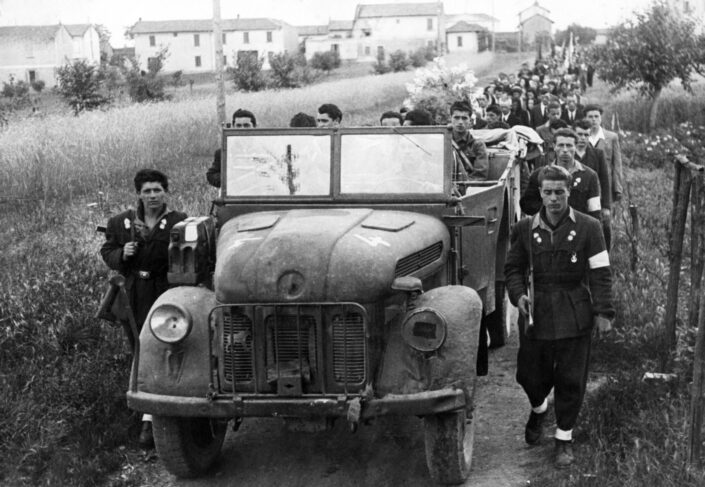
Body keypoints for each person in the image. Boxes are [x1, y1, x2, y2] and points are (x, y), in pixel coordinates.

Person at [505, 164, 614, 468]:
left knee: (571, 379)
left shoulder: (590, 227)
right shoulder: (524, 228)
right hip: (535, 313)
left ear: (569, 192)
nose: (553, 199)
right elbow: (513, 269)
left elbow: (601, 273)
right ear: (539, 192)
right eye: (548, 192)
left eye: (559, 192)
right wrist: (518, 296)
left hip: (574, 311)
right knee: (529, 375)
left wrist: (604, 311)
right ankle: (539, 409)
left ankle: (564, 438)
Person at [100, 169, 188, 448]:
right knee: (138, 349)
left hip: (163, 294)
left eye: (158, 190)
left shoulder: (179, 222)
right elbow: (108, 252)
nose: (153, 196)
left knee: (162, 348)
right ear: (138, 193)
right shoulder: (121, 222)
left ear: (166, 192)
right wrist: (120, 254)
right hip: (132, 294)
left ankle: (155, 419)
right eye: (147, 191)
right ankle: (144, 413)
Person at [521, 128, 602, 221]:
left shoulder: (590, 176)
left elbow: (595, 212)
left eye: (569, 145)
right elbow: (527, 206)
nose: (565, 150)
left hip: (578, 230)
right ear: (554, 146)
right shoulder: (539, 174)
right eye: (561, 145)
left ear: (575, 147)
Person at [574, 119, 612, 247]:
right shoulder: (568, 154)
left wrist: (606, 206)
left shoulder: (597, 154)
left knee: (601, 228)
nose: (583, 138)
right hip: (574, 200)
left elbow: (605, 180)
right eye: (579, 134)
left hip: (593, 200)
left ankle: (603, 256)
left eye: (586, 135)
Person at [206, 108, 256, 188]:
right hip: (233, 196)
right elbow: (211, 175)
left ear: (255, 127)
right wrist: (231, 177)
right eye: (238, 126)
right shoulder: (223, 152)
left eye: (246, 125)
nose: (242, 129)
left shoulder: (266, 150)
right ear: (233, 127)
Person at [585, 104, 624, 205]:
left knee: (605, 215)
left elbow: (617, 164)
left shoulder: (611, 137)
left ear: (601, 118)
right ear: (585, 118)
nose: (593, 119)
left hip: (605, 184)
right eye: (590, 117)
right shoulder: (581, 137)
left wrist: (617, 188)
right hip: (586, 183)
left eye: (596, 116)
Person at [449, 101, 488, 180]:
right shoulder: (444, 142)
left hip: (467, 189)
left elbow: (479, 176)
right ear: (450, 119)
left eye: (464, 118)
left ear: (470, 120)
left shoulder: (477, 145)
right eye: (456, 118)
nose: (460, 122)